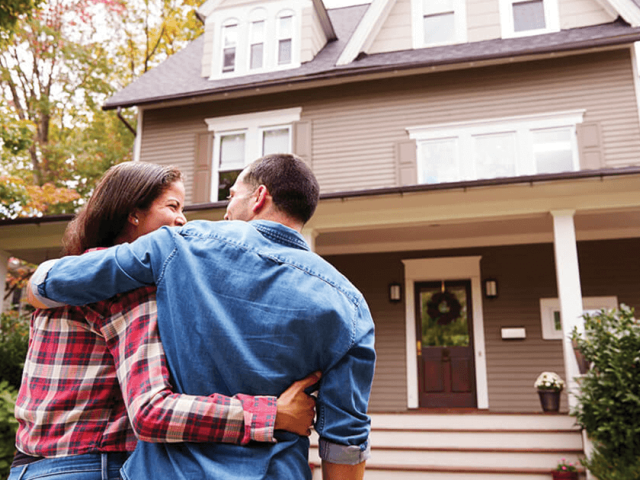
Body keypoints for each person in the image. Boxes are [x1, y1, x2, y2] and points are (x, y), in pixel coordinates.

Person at [29, 154, 376, 480]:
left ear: (259, 197)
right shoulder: (350, 304)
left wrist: (37, 285)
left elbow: (56, 281)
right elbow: (345, 438)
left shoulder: (179, 245)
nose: (225, 212)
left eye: (231, 197)